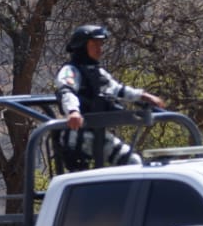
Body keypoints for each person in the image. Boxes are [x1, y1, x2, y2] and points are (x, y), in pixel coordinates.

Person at [55, 24, 166, 168]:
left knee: (133, 162)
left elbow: (118, 89)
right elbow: (66, 91)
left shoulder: (97, 72)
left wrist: (143, 96)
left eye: (100, 44)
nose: (99, 49)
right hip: (77, 136)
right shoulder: (70, 70)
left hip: (99, 133)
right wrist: (73, 112)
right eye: (94, 44)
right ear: (82, 46)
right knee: (83, 175)